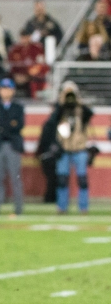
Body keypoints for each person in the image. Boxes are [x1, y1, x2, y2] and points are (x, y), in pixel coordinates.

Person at [53, 82, 93, 213]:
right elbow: (52, 120)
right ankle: (62, 207)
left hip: (79, 149)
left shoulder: (81, 111)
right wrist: (62, 102)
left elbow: (90, 113)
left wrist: (77, 102)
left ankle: (83, 207)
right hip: (64, 149)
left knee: (82, 180)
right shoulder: (60, 110)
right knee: (62, 180)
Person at [0, 78, 25, 215]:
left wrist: (3, 125)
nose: (5, 92)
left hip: (12, 145)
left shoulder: (18, 106)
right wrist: (9, 124)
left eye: (8, 89)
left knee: (16, 178)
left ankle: (19, 208)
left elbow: (18, 125)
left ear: (13, 90)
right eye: (3, 89)